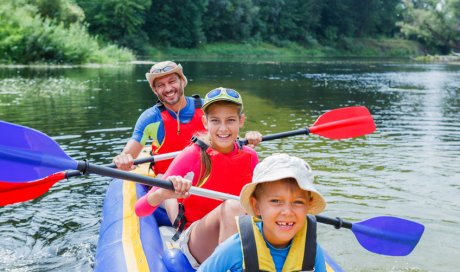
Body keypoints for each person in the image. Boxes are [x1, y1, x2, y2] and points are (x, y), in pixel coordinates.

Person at [134, 87, 259, 268]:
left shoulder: (250, 156)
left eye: (230, 120)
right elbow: (140, 209)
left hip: (238, 233)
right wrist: (163, 194)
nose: (223, 128)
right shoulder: (191, 155)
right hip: (197, 238)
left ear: (241, 121)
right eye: (215, 120)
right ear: (205, 122)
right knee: (233, 206)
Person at [112, 61, 261, 174]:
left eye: (172, 81)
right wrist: (123, 159)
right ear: (155, 90)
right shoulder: (150, 118)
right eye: (161, 85)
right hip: (167, 181)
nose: (168, 88)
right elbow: (128, 155)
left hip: (207, 175)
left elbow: (230, 137)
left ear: (182, 81)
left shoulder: (207, 108)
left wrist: (249, 139)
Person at [198, 153, 328, 272]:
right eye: (276, 201)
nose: (287, 212)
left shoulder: (312, 251)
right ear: (256, 206)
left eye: (298, 202)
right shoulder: (234, 248)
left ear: (308, 205)